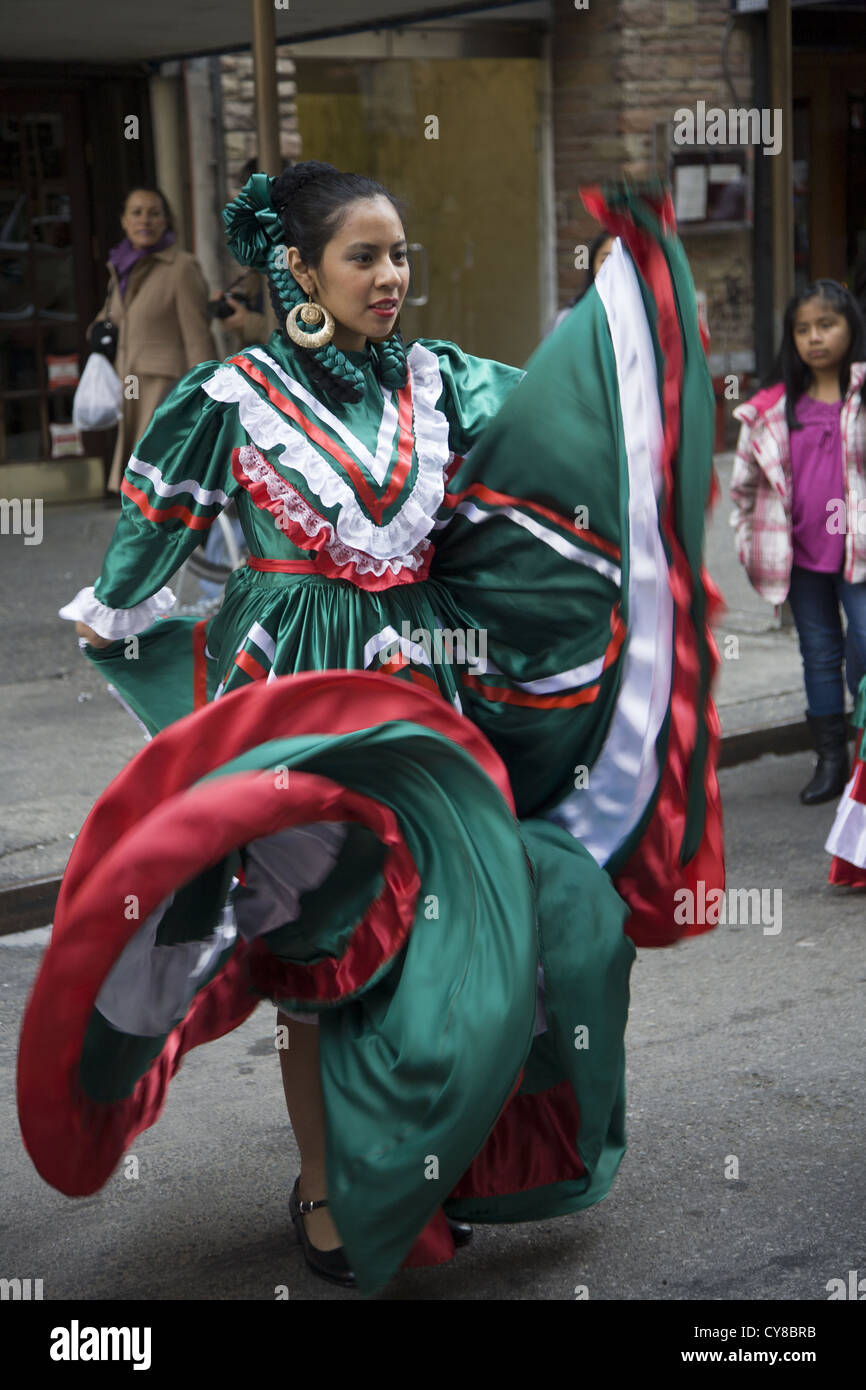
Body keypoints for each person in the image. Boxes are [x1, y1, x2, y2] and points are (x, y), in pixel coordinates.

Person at [20, 167, 723, 1296]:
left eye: (400, 256)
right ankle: (321, 1179)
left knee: (455, 937)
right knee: (325, 950)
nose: (391, 277)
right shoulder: (227, 397)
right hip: (294, 702)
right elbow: (132, 578)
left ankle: (425, 1156)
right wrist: (198, 729)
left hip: (429, 695)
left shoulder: (444, 381)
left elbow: (557, 438)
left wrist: (620, 321)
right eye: (365, 257)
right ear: (299, 270)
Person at [730, 279, 866, 804]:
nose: (815, 338)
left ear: (851, 327)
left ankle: (861, 738)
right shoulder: (771, 408)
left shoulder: (861, 395)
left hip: (859, 554)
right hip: (801, 557)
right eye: (803, 328)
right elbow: (744, 488)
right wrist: (751, 542)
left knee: (864, 642)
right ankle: (832, 759)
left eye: (827, 325)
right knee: (817, 653)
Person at [92, 187, 217, 495]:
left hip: (165, 388)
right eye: (136, 212)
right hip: (129, 383)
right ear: (124, 220)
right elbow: (109, 318)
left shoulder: (181, 267)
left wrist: (207, 394)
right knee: (143, 476)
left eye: (154, 212)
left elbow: (197, 336)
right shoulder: (120, 267)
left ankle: (177, 539)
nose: (144, 220)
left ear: (166, 221)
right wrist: (96, 332)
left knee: (158, 474)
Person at [549, 229, 615, 334]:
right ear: (593, 264)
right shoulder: (569, 318)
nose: (613, 269)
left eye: (621, 263)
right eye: (605, 260)